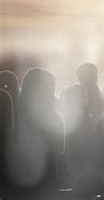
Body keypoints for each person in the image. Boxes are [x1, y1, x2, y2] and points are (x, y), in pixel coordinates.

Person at [8, 68, 65, 198]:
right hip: (45, 184)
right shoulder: (55, 118)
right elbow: (59, 150)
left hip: (18, 181)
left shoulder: (13, 114)